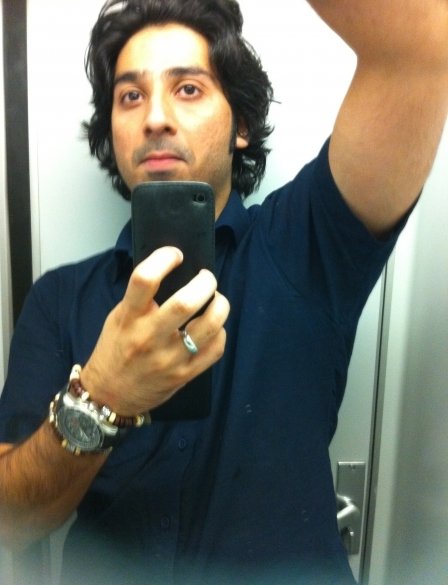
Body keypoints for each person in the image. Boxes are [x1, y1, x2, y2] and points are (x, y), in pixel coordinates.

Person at [1, 0, 447, 583]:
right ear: (112, 129)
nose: (155, 117)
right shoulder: (58, 299)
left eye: (187, 88)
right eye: (130, 96)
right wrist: (102, 397)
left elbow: (422, 48)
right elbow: (9, 523)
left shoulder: (308, 243)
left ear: (240, 127)